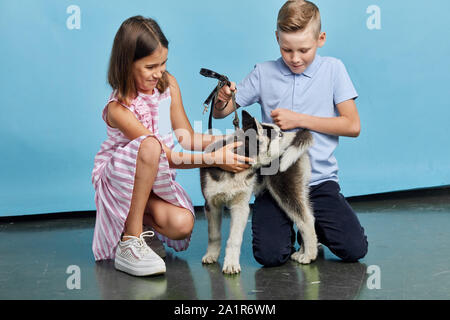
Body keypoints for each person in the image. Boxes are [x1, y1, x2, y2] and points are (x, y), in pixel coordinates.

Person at [91, 16, 252, 276]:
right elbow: (166, 155)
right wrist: (214, 159)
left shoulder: (167, 85)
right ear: (127, 64)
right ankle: (130, 241)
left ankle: (141, 228)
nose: (159, 72)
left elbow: (186, 137)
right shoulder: (118, 108)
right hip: (119, 182)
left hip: (152, 181)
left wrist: (229, 141)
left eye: (163, 63)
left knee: (183, 223)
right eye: (150, 66)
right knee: (152, 145)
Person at [214, 0, 368, 266]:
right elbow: (222, 112)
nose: (295, 58)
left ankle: (312, 229)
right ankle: (298, 228)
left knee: (354, 249)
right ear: (276, 39)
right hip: (274, 179)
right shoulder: (263, 73)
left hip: (319, 182)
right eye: (287, 50)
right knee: (270, 256)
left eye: (304, 50)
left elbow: (352, 125)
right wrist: (222, 98)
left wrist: (299, 119)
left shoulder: (334, 69)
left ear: (321, 39)